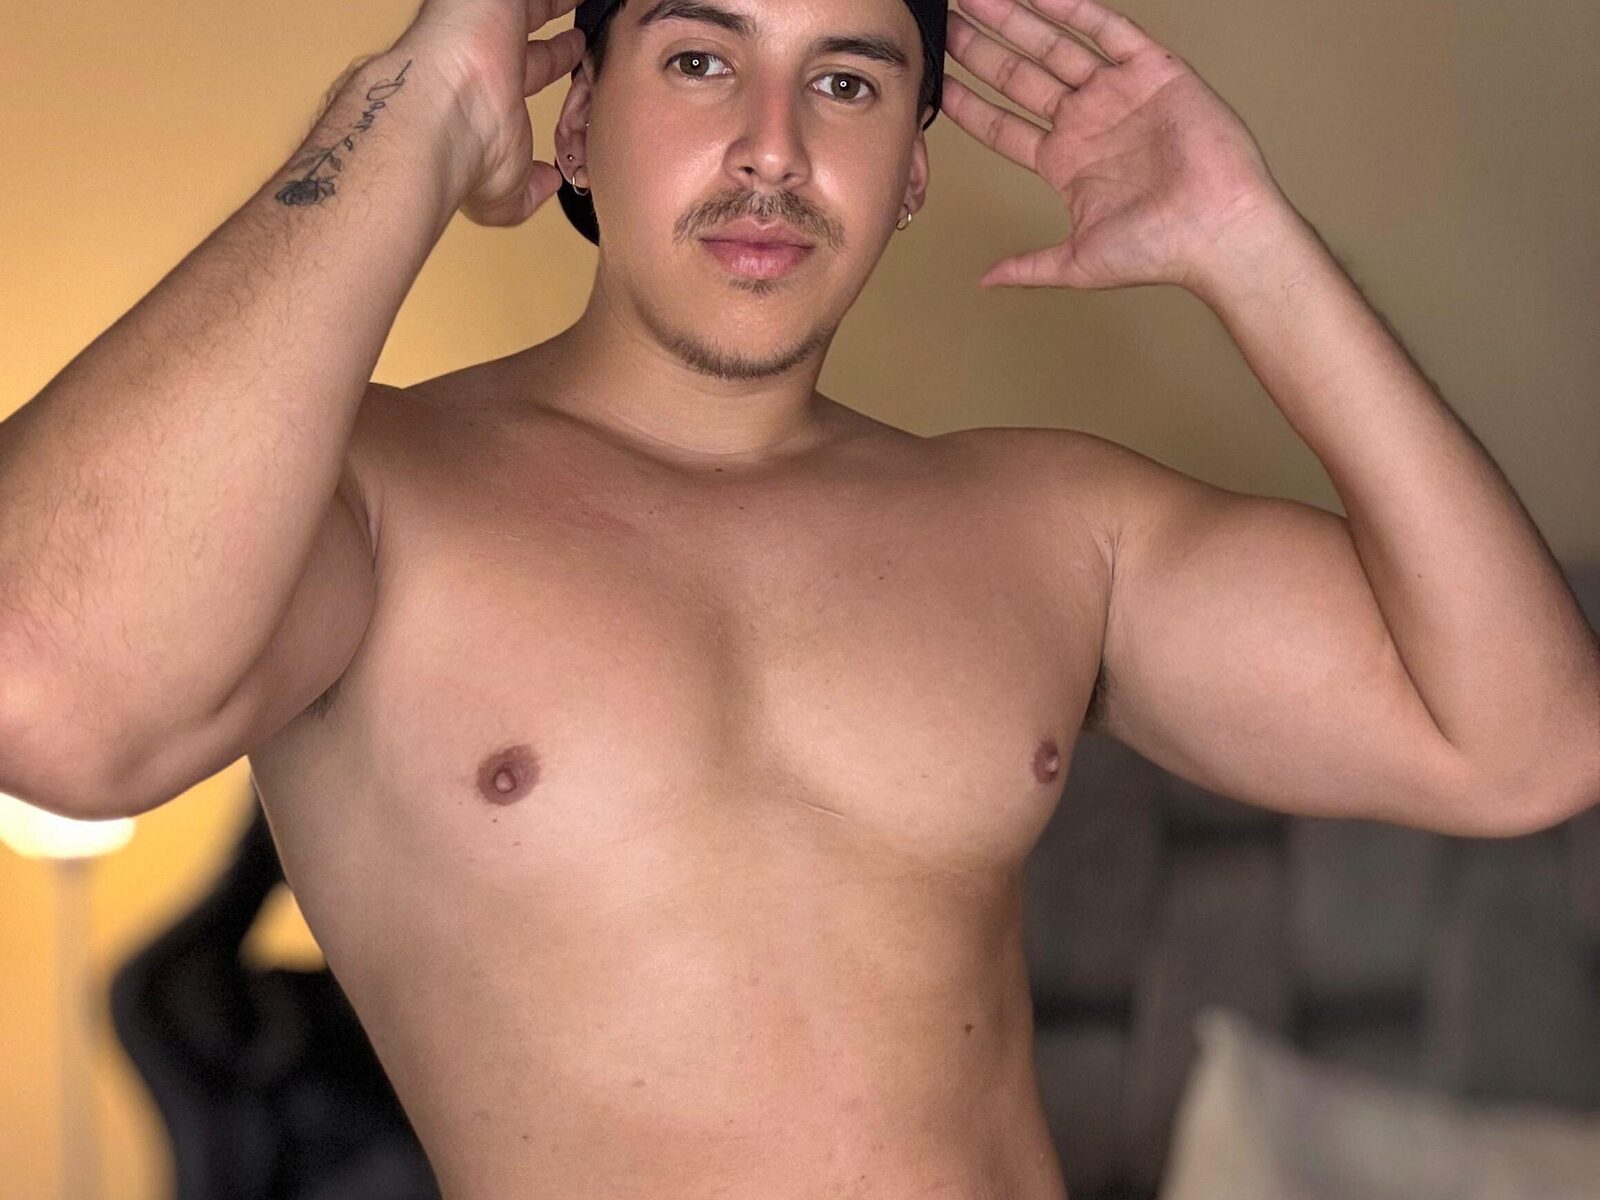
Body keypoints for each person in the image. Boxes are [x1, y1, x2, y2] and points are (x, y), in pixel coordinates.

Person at [2, 0, 1595, 1195]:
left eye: (846, 81)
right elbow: (42, 696)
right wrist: (417, 107)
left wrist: (1251, 243)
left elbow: (1524, 746)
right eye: (702, 60)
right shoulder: (368, 501)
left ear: (912, 170)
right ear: (575, 124)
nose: (774, 146)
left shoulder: (1051, 525)